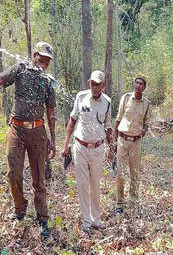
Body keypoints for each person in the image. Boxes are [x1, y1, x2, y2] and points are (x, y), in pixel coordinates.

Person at [0, 41, 56, 237]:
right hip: (17, 130)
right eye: (41, 58)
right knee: (14, 174)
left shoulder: (47, 81)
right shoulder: (20, 68)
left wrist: (52, 139)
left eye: (48, 61)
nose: (44, 63)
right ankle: (20, 210)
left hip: (38, 133)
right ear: (34, 55)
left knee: (39, 180)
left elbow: (51, 111)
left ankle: (42, 220)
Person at [60, 70, 112, 233]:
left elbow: (108, 126)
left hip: (97, 148)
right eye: (92, 84)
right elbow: (72, 120)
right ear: (89, 83)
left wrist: (112, 147)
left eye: (98, 84)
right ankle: (86, 221)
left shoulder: (108, 102)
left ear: (103, 85)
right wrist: (65, 143)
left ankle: (96, 219)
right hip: (80, 147)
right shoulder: (81, 97)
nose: (95, 87)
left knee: (95, 184)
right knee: (82, 185)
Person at [113, 74, 151, 215]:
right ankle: (119, 204)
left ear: (144, 88)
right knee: (120, 174)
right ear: (134, 84)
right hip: (122, 140)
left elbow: (147, 122)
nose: (138, 86)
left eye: (141, 84)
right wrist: (113, 140)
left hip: (136, 142)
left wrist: (144, 130)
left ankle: (133, 202)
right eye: (137, 83)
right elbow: (118, 119)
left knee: (135, 174)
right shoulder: (125, 98)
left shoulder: (146, 104)